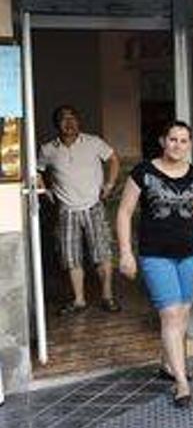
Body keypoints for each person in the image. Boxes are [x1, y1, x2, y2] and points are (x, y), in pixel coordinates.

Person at [116, 120, 193, 408]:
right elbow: (123, 213)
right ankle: (181, 383)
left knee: (181, 314)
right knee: (170, 315)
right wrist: (125, 252)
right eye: (173, 139)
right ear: (162, 141)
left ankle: (167, 364)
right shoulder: (143, 172)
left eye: (184, 141)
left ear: (190, 145)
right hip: (155, 254)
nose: (178, 146)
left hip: (190, 253)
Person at [38, 105, 121, 315]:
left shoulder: (93, 142)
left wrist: (109, 184)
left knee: (103, 254)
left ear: (78, 121)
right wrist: (45, 190)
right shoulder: (48, 149)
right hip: (67, 210)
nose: (69, 123)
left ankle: (107, 297)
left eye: (72, 118)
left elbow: (113, 159)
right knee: (71, 257)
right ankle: (79, 300)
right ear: (57, 124)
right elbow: (37, 170)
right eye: (64, 119)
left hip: (93, 206)